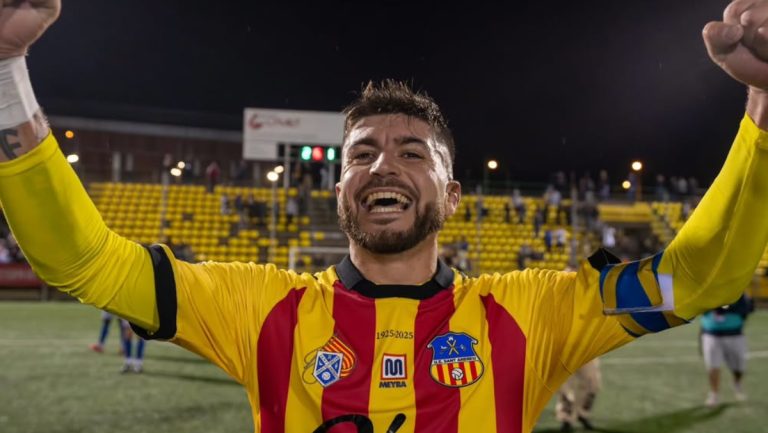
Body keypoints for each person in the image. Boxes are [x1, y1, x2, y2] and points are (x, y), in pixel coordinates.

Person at [2, 2, 768, 431]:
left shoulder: (534, 313)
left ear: (455, 192)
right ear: (339, 189)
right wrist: (7, 76)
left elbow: (699, 277)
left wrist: (763, 113)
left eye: (412, 151)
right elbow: (84, 261)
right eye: (362, 152)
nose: (383, 164)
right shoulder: (260, 308)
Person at [700, 294, 753, 407]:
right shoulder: (707, 293)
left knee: (739, 367)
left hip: (735, 335)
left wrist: (725, 306)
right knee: (713, 366)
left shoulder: (740, 295)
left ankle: (737, 382)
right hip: (711, 335)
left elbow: (745, 310)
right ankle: (714, 393)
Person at [555, 358, 601, 432]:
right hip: (566, 354)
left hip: (587, 353)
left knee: (593, 384)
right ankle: (566, 419)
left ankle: (582, 414)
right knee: (565, 386)